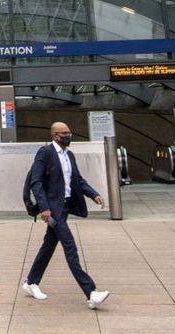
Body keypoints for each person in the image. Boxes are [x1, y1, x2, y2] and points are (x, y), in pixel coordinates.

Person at [22, 121, 110, 309]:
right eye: (64, 133)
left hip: (64, 207)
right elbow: (36, 182)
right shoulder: (45, 153)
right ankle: (91, 292)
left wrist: (94, 194)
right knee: (70, 247)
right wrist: (44, 208)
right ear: (55, 135)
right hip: (53, 210)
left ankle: (30, 282)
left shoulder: (69, 155)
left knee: (48, 246)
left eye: (69, 132)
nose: (68, 136)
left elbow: (77, 179)